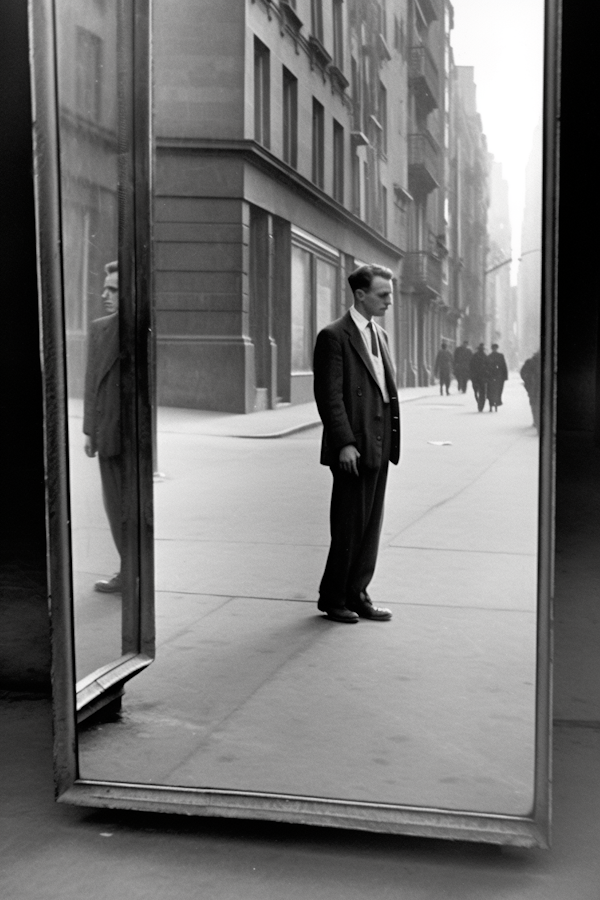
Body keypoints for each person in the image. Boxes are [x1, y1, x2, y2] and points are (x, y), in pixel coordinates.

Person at [313, 264, 400, 624]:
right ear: (360, 295)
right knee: (348, 526)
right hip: (354, 447)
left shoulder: (380, 335)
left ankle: (358, 593)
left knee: (370, 526)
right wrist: (344, 442)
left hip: (379, 445)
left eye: (390, 294)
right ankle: (333, 597)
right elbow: (329, 396)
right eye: (383, 295)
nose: (389, 301)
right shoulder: (334, 335)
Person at [83, 261, 122, 593]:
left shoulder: (143, 330)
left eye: (114, 289)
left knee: (134, 510)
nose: (104, 295)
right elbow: (91, 381)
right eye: (105, 288)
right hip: (108, 432)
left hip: (134, 438)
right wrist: (89, 431)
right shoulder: (100, 329)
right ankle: (127, 569)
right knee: (114, 507)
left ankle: (136, 571)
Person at [521, 350, 541, 432]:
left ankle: (536, 421)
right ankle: (538, 422)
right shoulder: (547, 362)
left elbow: (523, 373)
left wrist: (527, 382)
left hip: (533, 387)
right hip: (538, 387)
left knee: (534, 404)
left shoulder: (530, 362)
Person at [486, 342, 509, 412]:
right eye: (494, 348)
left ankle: (492, 404)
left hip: (494, 376)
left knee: (492, 390)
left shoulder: (490, 356)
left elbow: (503, 366)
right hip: (498, 376)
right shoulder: (499, 356)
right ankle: (494, 403)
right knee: (496, 390)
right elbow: (503, 366)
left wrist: (505, 375)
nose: (494, 350)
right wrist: (505, 376)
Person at [470, 343, 488, 412]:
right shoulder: (476, 356)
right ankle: (480, 404)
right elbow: (471, 366)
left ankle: (480, 404)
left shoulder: (482, 356)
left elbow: (471, 366)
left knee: (479, 391)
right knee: (480, 392)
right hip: (479, 377)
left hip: (478, 376)